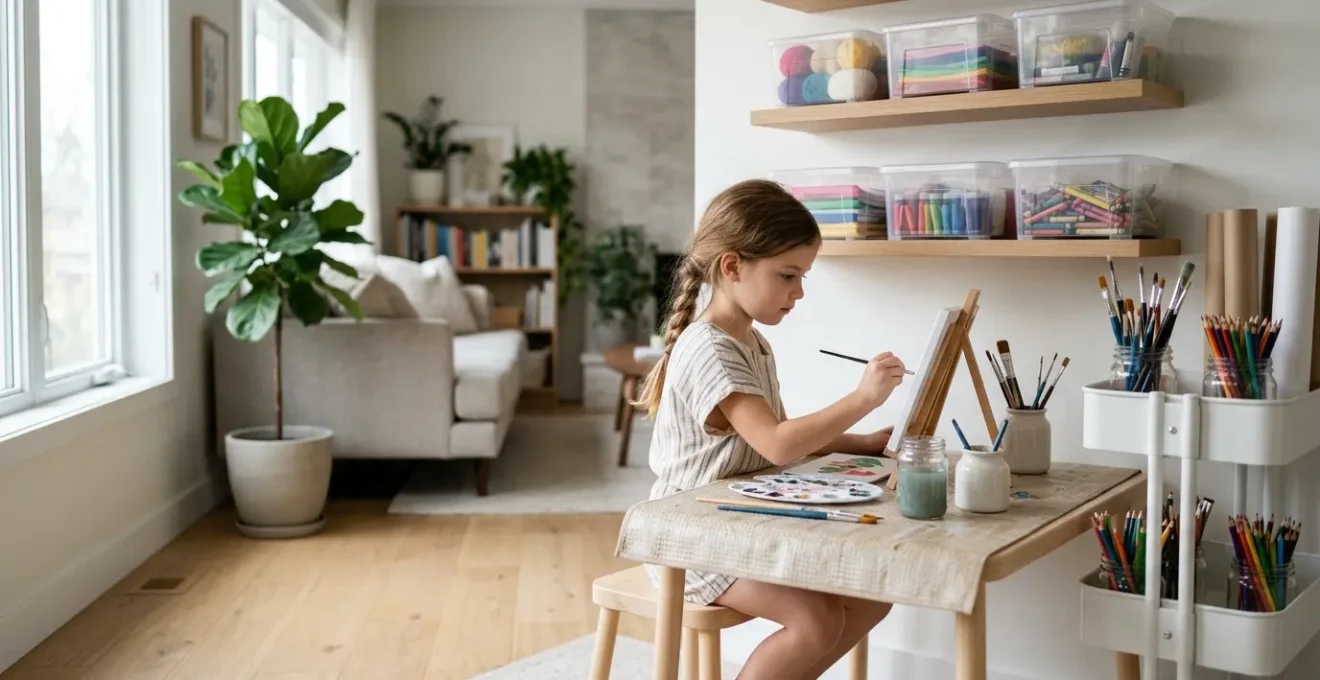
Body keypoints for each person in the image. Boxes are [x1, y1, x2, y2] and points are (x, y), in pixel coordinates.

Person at [635, 179, 908, 679]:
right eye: (788, 275)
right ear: (733, 266)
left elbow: (777, 432)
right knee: (816, 621)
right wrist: (862, 398)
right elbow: (779, 446)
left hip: (737, 522)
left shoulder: (752, 343)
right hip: (690, 538)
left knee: (870, 599)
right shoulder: (711, 350)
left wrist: (863, 443)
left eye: (802, 276)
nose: (799, 292)